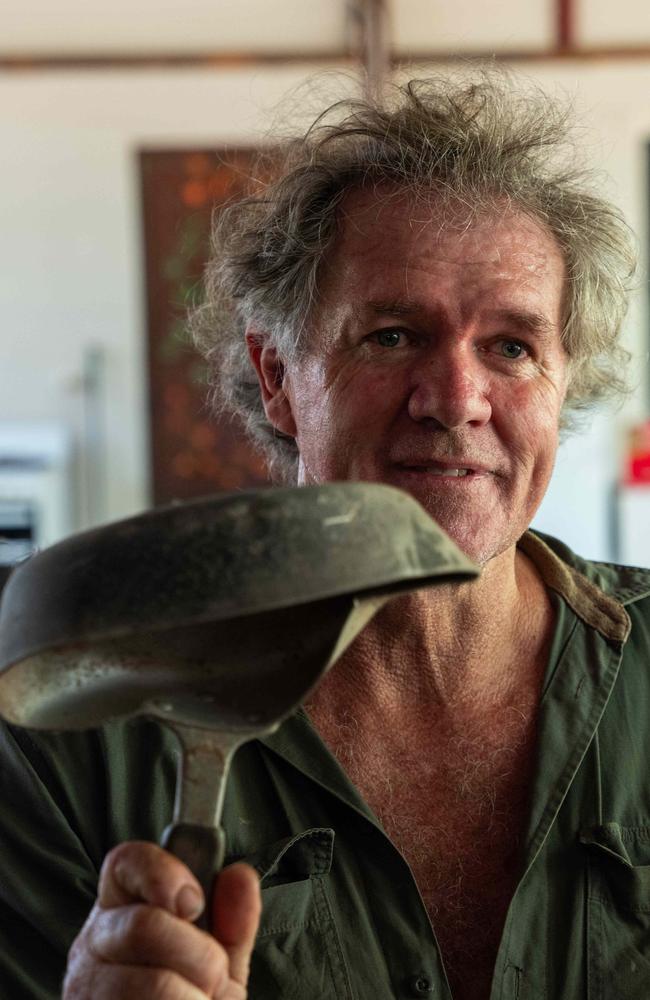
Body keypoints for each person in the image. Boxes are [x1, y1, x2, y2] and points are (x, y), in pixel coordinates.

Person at [2, 71, 649, 1000]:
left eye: (511, 346)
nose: (458, 401)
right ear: (277, 377)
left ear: (559, 384)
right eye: (391, 335)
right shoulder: (78, 740)